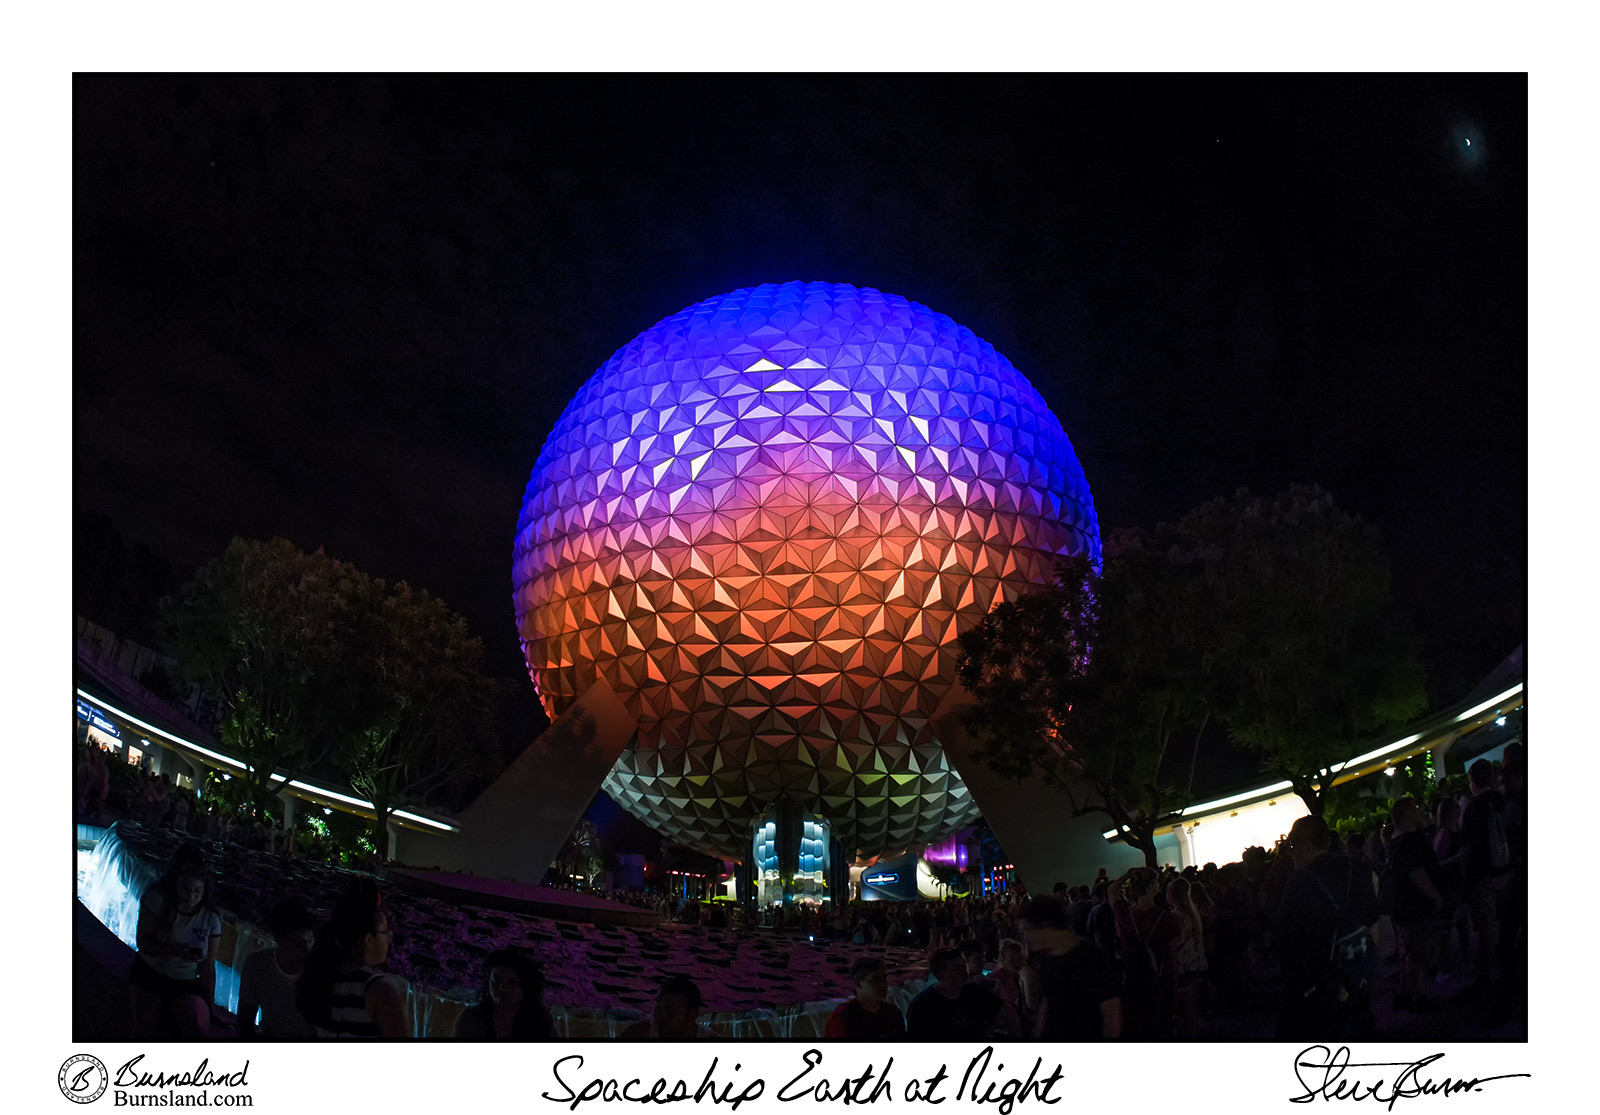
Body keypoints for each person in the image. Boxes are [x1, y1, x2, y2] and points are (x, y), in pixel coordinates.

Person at [1271, 815, 1380, 1040]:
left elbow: (1287, 943)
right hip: (1358, 973)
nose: (1290, 853)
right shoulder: (1357, 867)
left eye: (1292, 846)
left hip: (1323, 986)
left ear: (1308, 845)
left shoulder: (1299, 882)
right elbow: (1373, 921)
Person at [129, 843, 223, 1038]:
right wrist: (174, 951)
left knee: (195, 1025)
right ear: (175, 882)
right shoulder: (156, 900)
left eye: (197, 891)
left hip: (184, 981)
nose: (191, 896)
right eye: (185, 889)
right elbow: (143, 943)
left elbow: (207, 966)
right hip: (149, 972)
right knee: (144, 1023)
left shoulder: (211, 918)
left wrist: (210, 1008)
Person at [297, 884, 409, 1038]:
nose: (389, 939)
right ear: (369, 939)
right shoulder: (380, 990)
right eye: (385, 932)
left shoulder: (318, 975)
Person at [1015, 897, 1120, 1039]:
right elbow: (1047, 1006)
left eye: (1027, 930)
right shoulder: (1047, 959)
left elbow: (1111, 1011)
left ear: (1047, 925)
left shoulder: (1091, 957)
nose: (1025, 938)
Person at [1387, 796, 1446, 1012]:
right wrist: (1436, 897)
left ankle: (1406, 993)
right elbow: (1417, 873)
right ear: (1405, 815)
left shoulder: (1395, 842)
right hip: (1416, 905)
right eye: (1414, 809)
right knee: (1418, 951)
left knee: (1407, 950)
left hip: (1401, 905)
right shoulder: (1412, 841)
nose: (1419, 811)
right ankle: (1418, 996)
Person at [1460, 758, 1510, 991]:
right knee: (1506, 921)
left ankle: (1489, 975)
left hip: (1482, 875)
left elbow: (1467, 848)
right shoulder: (1501, 800)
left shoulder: (1473, 807)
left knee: (1486, 927)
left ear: (1472, 781)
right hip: (1506, 868)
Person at [238, 900, 316, 1038]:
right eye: (299, 943)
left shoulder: (318, 970)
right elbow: (245, 1019)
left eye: (310, 941)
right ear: (279, 939)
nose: (307, 950)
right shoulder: (258, 965)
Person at [904, 948, 1003, 1039]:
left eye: (964, 965)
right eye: (957, 968)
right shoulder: (922, 1006)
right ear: (941, 975)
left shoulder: (976, 993)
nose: (964, 971)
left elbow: (1001, 1012)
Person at [455, 948, 554, 1039]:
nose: (501, 987)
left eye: (511, 983)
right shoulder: (473, 1018)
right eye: (496, 980)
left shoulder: (540, 1020)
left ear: (524, 988)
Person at [823, 956, 906, 1039]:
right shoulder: (845, 1016)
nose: (884, 984)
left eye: (884, 978)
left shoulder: (892, 1013)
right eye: (876, 979)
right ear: (858, 984)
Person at [619, 977, 720, 1039]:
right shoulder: (638, 1034)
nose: (660, 1014)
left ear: (691, 1016)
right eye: (658, 1006)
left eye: (670, 1010)